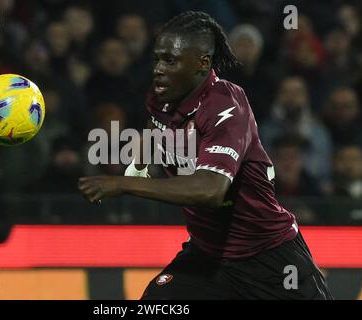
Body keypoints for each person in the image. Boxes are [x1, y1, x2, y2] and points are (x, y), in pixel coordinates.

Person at [78, 11, 332, 300]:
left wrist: (121, 184)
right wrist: (139, 165)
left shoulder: (226, 107)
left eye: (170, 60)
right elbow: (156, 125)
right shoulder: (161, 95)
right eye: (157, 59)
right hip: (207, 257)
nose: (158, 69)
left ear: (202, 63)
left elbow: (209, 189)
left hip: (270, 260)